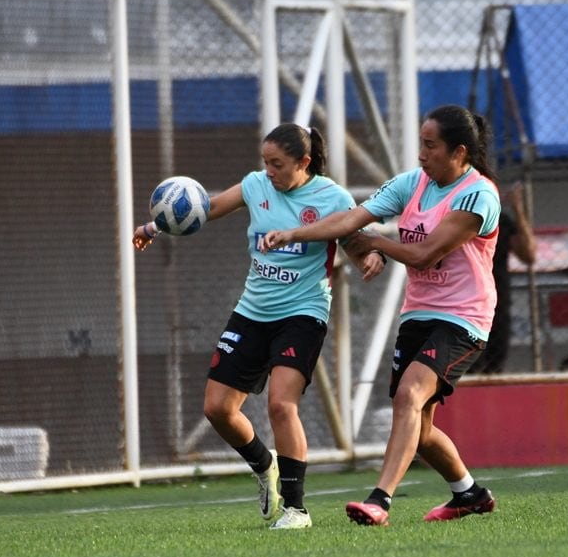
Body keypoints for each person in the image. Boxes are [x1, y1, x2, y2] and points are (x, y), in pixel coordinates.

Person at [133, 124, 385, 530]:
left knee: (281, 406)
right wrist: (155, 226)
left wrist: (371, 257)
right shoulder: (256, 186)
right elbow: (207, 208)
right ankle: (263, 465)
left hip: (303, 314)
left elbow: (355, 238)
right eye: (265, 162)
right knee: (217, 409)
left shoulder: (332, 197)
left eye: (277, 164)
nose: (269, 171)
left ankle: (296, 510)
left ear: (304, 162)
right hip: (252, 312)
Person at [262, 105, 502, 526]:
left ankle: (380, 500)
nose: (421, 154)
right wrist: (295, 233)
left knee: (409, 397)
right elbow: (352, 219)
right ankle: (470, 493)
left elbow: (424, 254)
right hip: (418, 314)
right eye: (421, 143)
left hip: (464, 318)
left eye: (431, 145)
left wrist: (376, 243)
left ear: (459, 152)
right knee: (418, 429)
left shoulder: (477, 196)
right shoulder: (412, 183)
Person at [466, 181, 536, 374]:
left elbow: (529, 255)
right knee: (467, 366)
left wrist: (518, 210)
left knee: (494, 366)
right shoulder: (456, 222)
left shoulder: (501, 222)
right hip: (465, 307)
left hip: (496, 304)